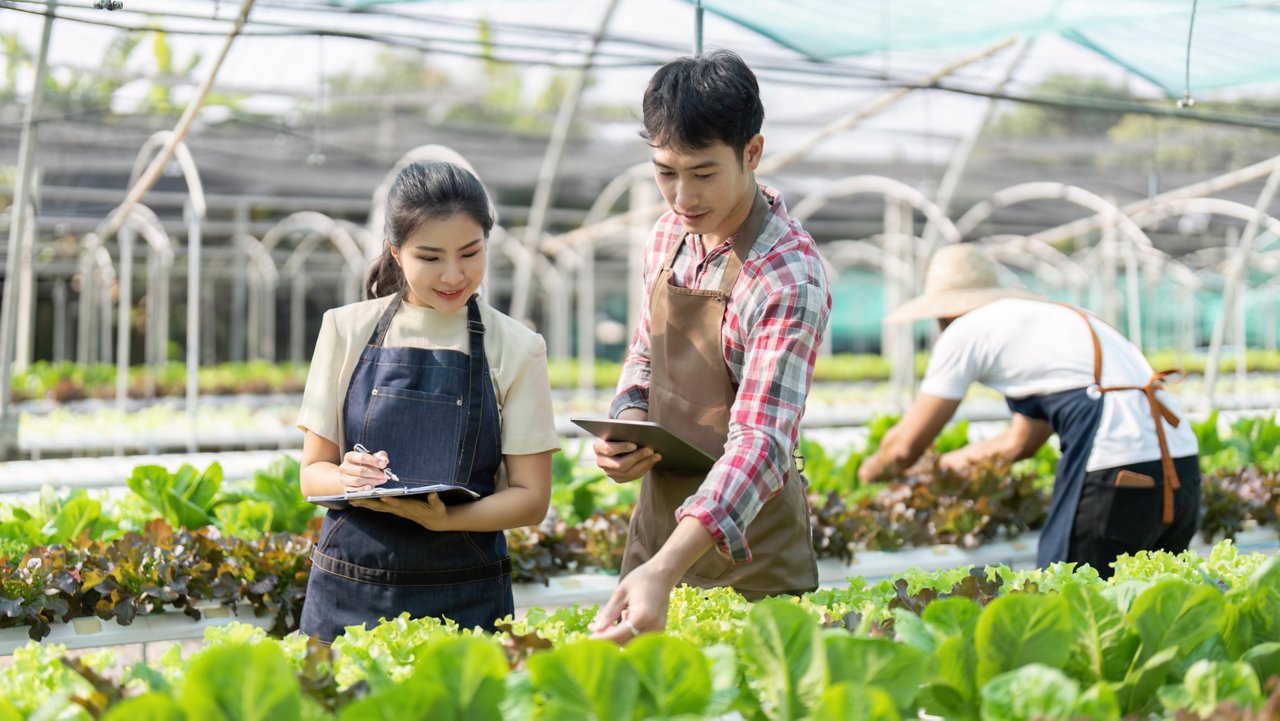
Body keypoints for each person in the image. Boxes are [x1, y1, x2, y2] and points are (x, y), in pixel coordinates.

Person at [589, 50, 831, 644]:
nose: (681, 196)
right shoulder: (670, 235)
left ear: (752, 152)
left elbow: (763, 443)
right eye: (665, 172)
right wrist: (626, 420)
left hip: (751, 543)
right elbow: (646, 351)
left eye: (702, 173)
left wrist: (666, 569)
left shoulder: (787, 276)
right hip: (658, 523)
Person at [296, 161, 559, 642]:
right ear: (396, 252)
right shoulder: (345, 329)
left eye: (470, 252)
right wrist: (347, 478)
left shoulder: (519, 347)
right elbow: (312, 475)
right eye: (430, 257)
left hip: (465, 590)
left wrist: (446, 519)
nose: (454, 274)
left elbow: (531, 498)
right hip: (352, 584)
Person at [857, 243, 1200, 578]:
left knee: (1067, 595)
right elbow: (1019, 443)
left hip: (1117, 467)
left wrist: (869, 473)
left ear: (941, 312)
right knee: (1151, 599)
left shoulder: (963, 331)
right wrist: (940, 468)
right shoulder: (1045, 322)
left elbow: (903, 448)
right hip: (1181, 467)